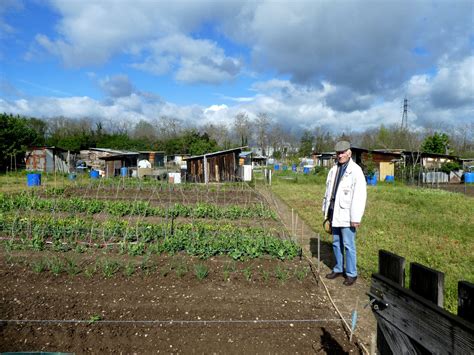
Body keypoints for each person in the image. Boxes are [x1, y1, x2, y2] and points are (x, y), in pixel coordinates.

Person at [322, 141, 367, 286]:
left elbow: (360, 196)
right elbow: (328, 192)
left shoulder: (356, 171)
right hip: (334, 212)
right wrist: (326, 210)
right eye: (338, 153)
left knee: (348, 244)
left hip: (347, 214)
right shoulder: (333, 169)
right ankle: (338, 268)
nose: (339, 155)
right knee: (336, 243)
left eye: (342, 152)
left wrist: (356, 218)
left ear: (349, 153)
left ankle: (352, 273)